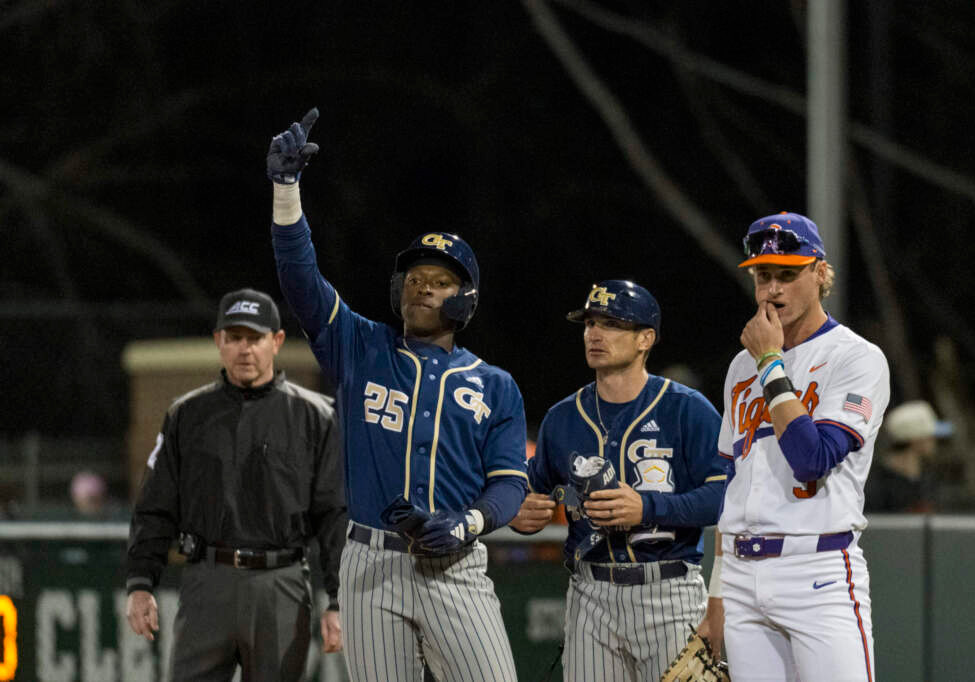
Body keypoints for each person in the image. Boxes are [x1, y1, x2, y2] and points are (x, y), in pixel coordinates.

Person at [267, 108, 528, 682]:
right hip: (370, 565)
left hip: (456, 565)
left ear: (465, 299)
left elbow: (510, 483)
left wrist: (468, 523)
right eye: (414, 280)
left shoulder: (494, 384)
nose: (423, 289)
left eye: (439, 282)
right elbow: (300, 279)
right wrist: (287, 191)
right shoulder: (360, 347)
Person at [699, 212, 891, 682]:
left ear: (820, 273)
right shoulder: (739, 367)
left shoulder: (856, 357)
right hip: (741, 576)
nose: (772, 290)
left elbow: (812, 459)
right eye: (763, 276)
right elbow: (731, 486)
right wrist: (717, 596)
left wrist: (770, 361)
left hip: (817, 572)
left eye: (787, 275)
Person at [510, 279, 727, 681]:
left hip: (668, 591)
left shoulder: (686, 409)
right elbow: (528, 490)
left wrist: (648, 507)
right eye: (590, 323)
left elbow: (724, 497)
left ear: (646, 338)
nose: (595, 334)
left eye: (611, 324)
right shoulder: (563, 418)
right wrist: (519, 513)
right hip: (590, 593)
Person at [124, 287, 345, 682]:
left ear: (276, 341)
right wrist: (140, 582)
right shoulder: (187, 414)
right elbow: (155, 506)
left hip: (281, 583)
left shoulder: (316, 417)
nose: (245, 349)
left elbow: (335, 516)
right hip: (208, 579)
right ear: (218, 341)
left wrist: (338, 598)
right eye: (235, 337)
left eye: (255, 338)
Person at [864, 400, 951, 513]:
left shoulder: (928, 479)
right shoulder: (876, 485)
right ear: (916, 439)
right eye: (930, 437)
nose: (935, 442)